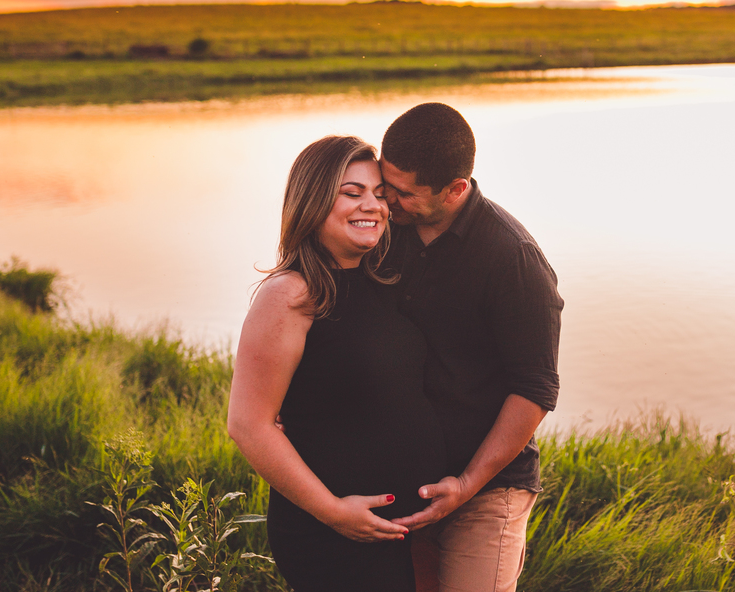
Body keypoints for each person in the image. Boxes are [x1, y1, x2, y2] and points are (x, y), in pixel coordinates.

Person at [228, 135, 446, 592]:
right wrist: (333, 512)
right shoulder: (289, 294)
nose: (373, 205)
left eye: (380, 194)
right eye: (352, 193)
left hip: (405, 531)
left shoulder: (382, 279)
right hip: (333, 538)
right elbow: (249, 424)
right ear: (313, 200)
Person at [378, 103, 563, 592]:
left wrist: (465, 485)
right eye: (384, 184)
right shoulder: (383, 232)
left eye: (403, 192)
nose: (387, 201)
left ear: (456, 189)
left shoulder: (513, 259)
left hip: (486, 487)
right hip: (401, 479)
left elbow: (535, 388)